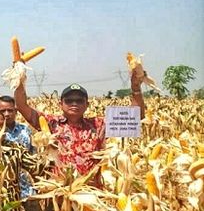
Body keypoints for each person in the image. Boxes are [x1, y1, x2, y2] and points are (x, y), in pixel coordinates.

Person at [13, 68, 146, 185]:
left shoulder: (98, 125)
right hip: (59, 192)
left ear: (87, 105)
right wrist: (19, 74)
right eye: (69, 100)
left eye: (79, 100)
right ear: (61, 104)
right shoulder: (50, 123)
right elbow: (21, 106)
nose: (74, 103)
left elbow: (136, 116)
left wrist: (135, 88)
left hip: (90, 194)